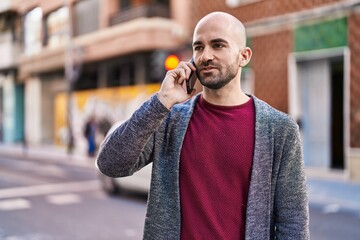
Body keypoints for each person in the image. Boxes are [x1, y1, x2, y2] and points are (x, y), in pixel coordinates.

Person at [96, 11, 309, 240]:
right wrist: (162, 101)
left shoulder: (280, 129)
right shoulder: (170, 119)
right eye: (198, 47)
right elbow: (110, 163)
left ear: (244, 56)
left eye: (218, 45)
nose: (206, 55)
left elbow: (292, 223)